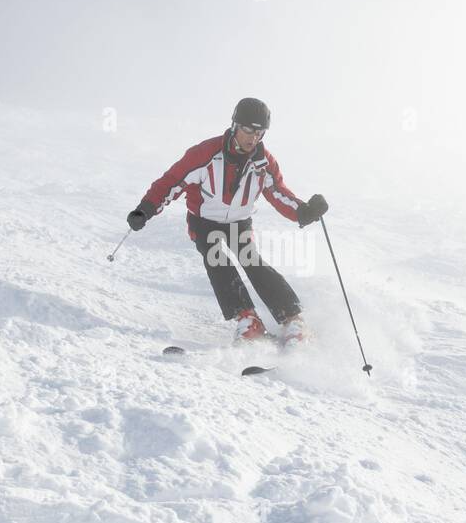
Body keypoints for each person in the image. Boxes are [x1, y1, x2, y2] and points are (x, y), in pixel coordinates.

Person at [126, 98, 328, 341]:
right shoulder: (205, 154)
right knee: (217, 259)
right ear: (234, 126)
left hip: (239, 221)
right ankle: (248, 319)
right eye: (247, 130)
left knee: (251, 260)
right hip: (204, 221)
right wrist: (145, 209)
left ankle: (293, 320)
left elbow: (279, 193)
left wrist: (304, 211)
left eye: (259, 132)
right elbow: (171, 182)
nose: (252, 138)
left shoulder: (263, 163)